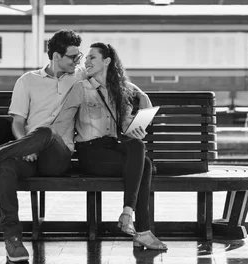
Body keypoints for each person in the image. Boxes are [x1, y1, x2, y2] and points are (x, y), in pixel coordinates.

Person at [0, 29, 86, 262]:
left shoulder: (79, 77)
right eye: (73, 57)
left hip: (58, 157)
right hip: (27, 153)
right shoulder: (27, 81)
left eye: (78, 57)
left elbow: (114, 80)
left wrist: (140, 96)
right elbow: (18, 123)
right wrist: (25, 146)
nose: (77, 62)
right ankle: (12, 238)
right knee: (7, 166)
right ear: (56, 57)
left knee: (46, 131)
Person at [53, 42, 167, 251]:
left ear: (106, 61)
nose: (86, 61)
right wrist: (60, 152)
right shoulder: (81, 89)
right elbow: (62, 123)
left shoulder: (119, 91)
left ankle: (128, 215)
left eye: (92, 57)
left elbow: (125, 126)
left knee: (138, 148)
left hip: (112, 148)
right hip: (90, 153)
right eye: (86, 58)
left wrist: (137, 121)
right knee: (146, 166)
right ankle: (142, 231)